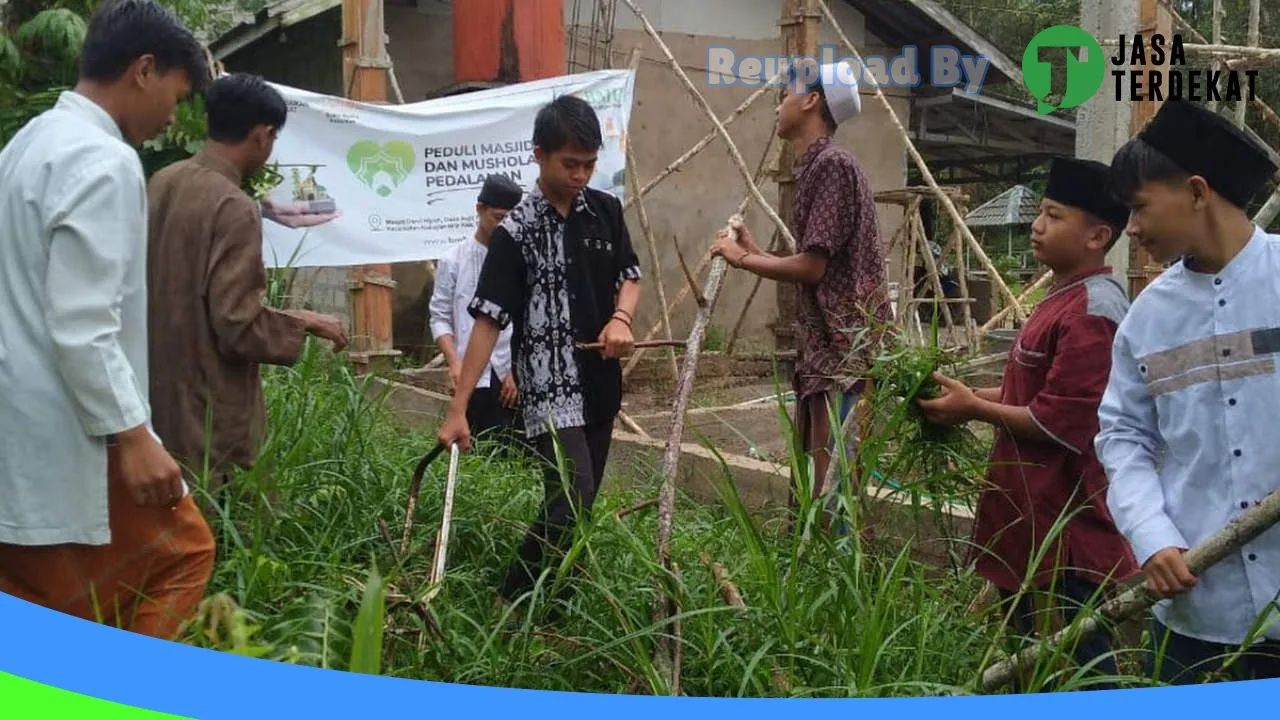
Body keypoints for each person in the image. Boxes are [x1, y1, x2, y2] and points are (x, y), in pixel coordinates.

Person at [0, 0, 214, 640]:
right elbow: (83, 324)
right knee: (182, 555)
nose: (173, 115)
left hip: (23, 419)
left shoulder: (29, 143)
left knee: (33, 591)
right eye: (176, 96)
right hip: (70, 423)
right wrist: (134, 437)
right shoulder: (104, 159)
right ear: (144, 69)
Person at [918, 156, 1140, 690]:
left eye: (1054, 215)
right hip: (1030, 510)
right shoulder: (1058, 297)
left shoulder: (1091, 312)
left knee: (1081, 657)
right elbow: (1032, 392)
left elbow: (1058, 422)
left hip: (1066, 523)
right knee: (1028, 651)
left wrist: (972, 408)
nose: (1037, 226)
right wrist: (965, 395)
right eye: (1040, 212)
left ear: (1097, 236)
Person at [1097, 98, 1280, 685]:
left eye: (1140, 207)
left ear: (1197, 193)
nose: (1133, 227)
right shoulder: (1147, 320)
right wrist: (1151, 537)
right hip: (1199, 610)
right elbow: (1123, 438)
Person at [436, 95, 642, 613]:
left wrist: (621, 318)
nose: (580, 175)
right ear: (539, 155)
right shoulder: (515, 233)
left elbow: (630, 278)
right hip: (548, 390)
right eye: (569, 164)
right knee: (571, 495)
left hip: (601, 384)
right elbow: (487, 321)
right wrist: (459, 407)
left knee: (581, 503)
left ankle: (552, 604)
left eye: (589, 164)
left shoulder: (606, 212)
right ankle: (512, 600)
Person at [146, 73, 348, 509]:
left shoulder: (162, 181)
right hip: (210, 401)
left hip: (153, 385)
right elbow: (236, 323)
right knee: (228, 519)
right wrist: (303, 323)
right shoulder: (232, 205)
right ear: (261, 135)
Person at [710, 59, 890, 522]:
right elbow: (818, 263)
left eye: (786, 92)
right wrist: (757, 253)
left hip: (843, 353)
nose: (778, 102)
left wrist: (743, 259)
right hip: (829, 354)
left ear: (811, 100)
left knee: (836, 493)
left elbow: (812, 268)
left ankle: (844, 585)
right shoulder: (819, 166)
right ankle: (820, 576)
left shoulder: (831, 164)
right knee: (821, 485)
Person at [429, 174, 524, 452]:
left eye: (510, 219)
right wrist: (454, 361)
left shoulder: (521, 262)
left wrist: (517, 371)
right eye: (497, 217)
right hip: (471, 374)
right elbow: (440, 317)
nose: (503, 226)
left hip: (509, 374)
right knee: (474, 450)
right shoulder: (453, 260)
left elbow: (526, 320)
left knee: (515, 454)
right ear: (480, 209)